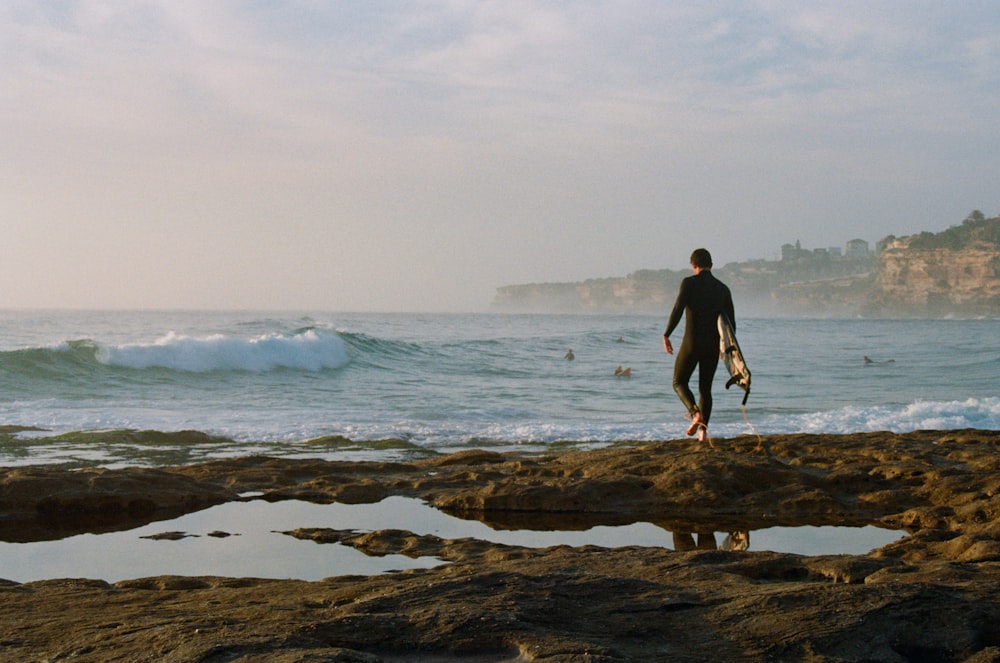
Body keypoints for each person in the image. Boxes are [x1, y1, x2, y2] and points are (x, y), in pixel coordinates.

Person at [662, 248, 735, 443]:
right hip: (712, 346)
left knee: (679, 382)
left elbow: (678, 309)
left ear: (694, 264)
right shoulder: (722, 289)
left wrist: (667, 334)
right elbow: (731, 324)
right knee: (706, 389)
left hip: (692, 342)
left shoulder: (689, 283)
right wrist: (725, 348)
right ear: (711, 265)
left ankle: (695, 414)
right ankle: (703, 433)